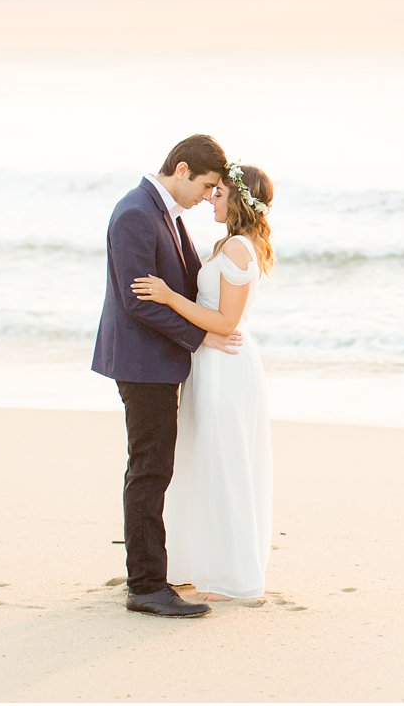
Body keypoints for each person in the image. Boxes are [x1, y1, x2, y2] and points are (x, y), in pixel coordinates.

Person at [91, 134, 238, 619]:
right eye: (207, 185)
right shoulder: (135, 212)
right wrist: (200, 339)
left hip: (155, 361)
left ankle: (148, 576)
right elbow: (136, 300)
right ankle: (147, 586)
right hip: (142, 363)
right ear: (181, 170)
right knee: (150, 470)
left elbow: (182, 284)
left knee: (153, 468)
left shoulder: (163, 213)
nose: (207, 196)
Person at [132, 162, 277, 602]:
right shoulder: (232, 244)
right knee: (210, 460)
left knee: (224, 463)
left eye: (219, 193)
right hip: (211, 362)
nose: (211, 198)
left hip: (225, 365)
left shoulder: (236, 248)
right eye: (210, 190)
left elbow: (226, 320)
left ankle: (232, 574)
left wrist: (168, 296)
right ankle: (206, 563)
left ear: (237, 200)